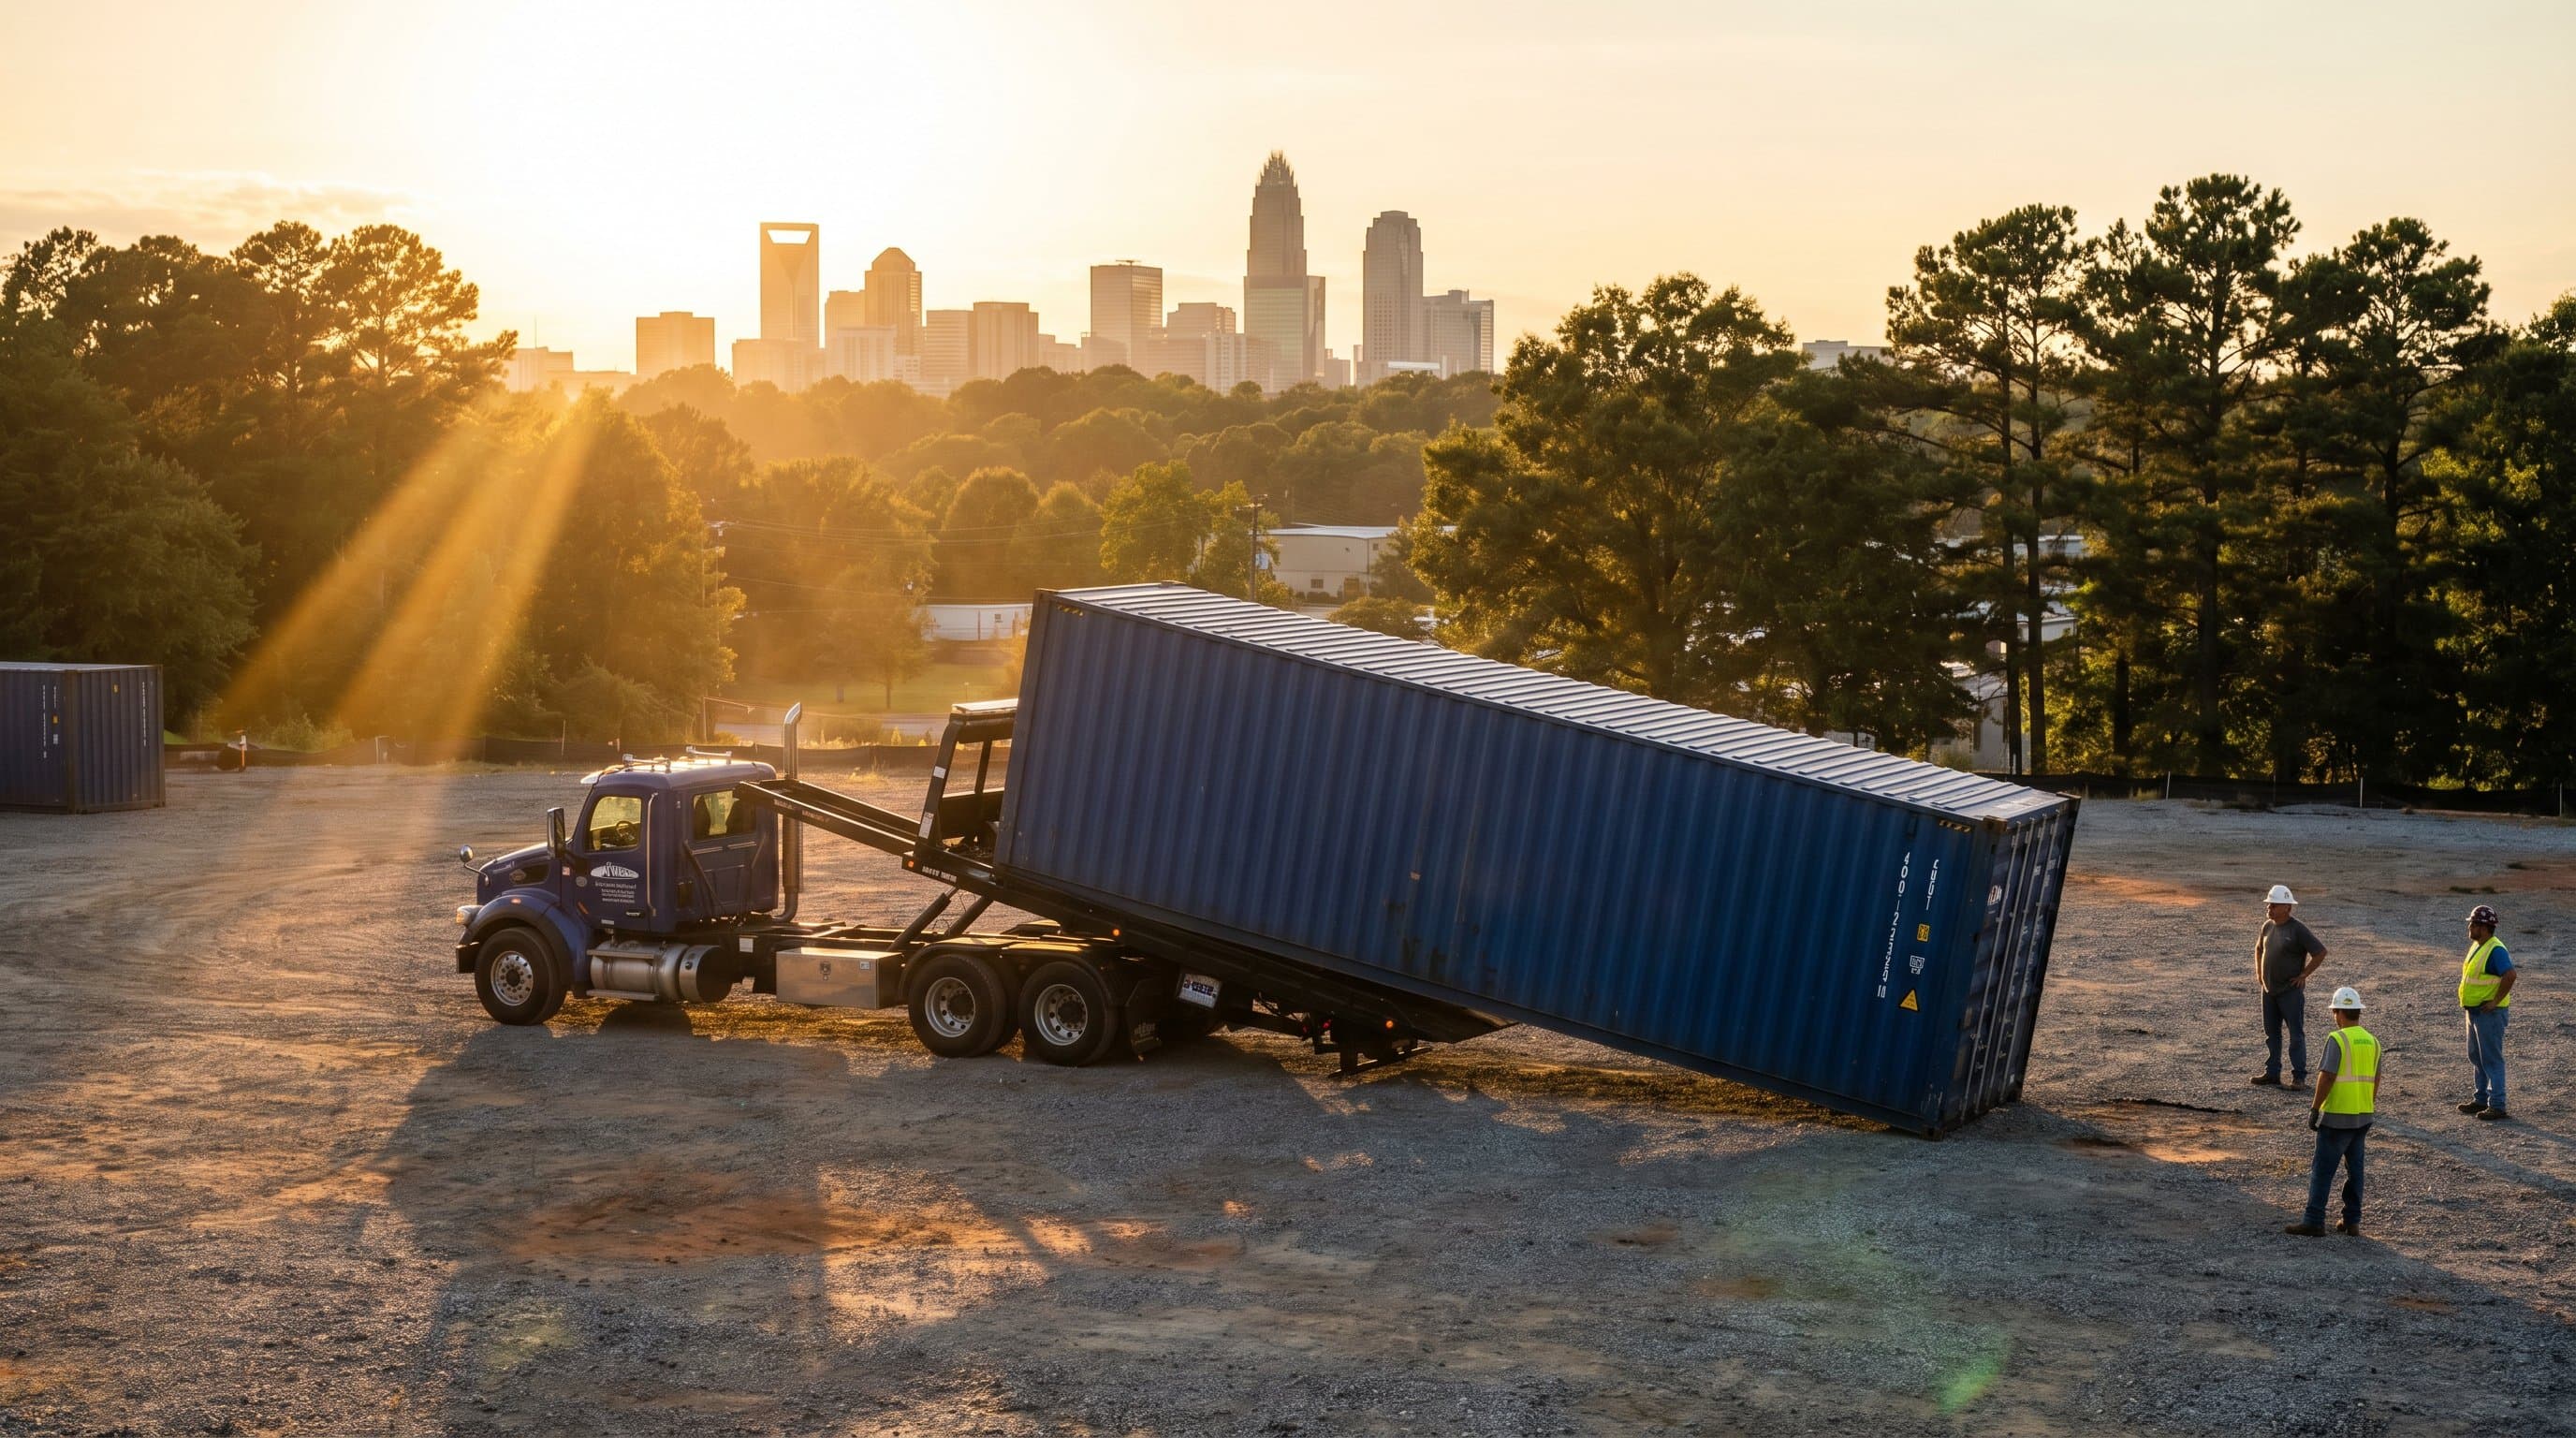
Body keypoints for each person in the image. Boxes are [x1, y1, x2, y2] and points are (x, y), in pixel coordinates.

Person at [2285, 986, 2378, 1238]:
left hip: (2337, 1116)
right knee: (2355, 1170)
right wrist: (2367, 1105)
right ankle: (2352, 1221)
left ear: (2338, 1012)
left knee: (2323, 1169)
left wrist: (2315, 1108)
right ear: (2358, 1011)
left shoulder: (2337, 1039)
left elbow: (2326, 1077)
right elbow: (2376, 1078)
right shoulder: (2372, 1041)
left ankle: (2314, 1219)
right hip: (2363, 1115)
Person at [2252, 884, 2329, 1088]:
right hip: (2268, 991)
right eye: (2269, 905)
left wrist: (2304, 974)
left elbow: (2320, 952)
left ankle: (2299, 1077)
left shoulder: (2297, 929)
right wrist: (2260, 974)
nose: (2269, 909)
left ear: (2287, 907)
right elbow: (2259, 949)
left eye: (2274, 905)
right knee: (2272, 1033)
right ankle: (2272, 1073)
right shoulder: (2267, 926)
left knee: (2296, 1034)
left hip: (2289, 992)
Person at [2457, 903, 2517, 1122]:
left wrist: (2494, 1002)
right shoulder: (2479, 945)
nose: (2470, 927)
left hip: (2489, 1013)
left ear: (2483, 927)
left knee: (2491, 1059)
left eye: (2473, 923)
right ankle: (2481, 1099)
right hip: (2474, 1012)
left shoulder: (2495, 949)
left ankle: (2497, 1104)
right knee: (2476, 1057)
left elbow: (2510, 975)